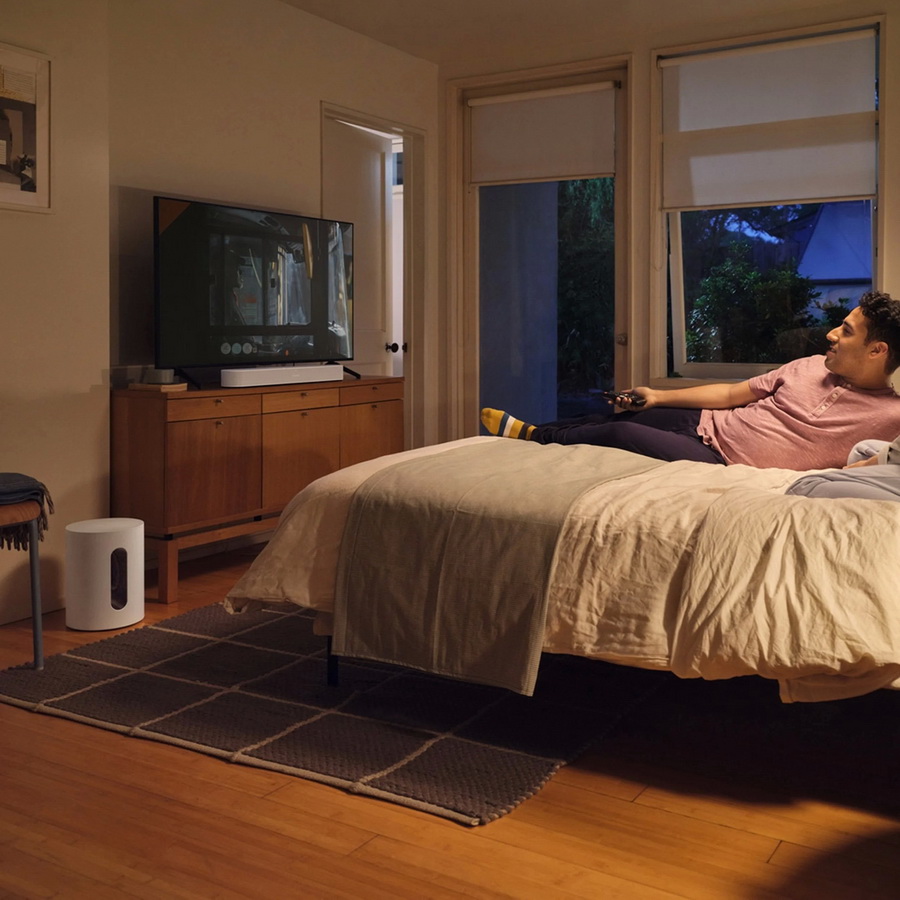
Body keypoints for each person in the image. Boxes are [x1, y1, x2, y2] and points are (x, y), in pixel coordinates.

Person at [481, 291, 900, 471]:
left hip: (719, 459)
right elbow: (732, 393)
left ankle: (535, 438)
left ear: (877, 351)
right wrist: (656, 396)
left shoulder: (890, 417)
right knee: (615, 415)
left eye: (847, 331)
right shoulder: (809, 366)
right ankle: (532, 431)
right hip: (704, 423)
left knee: (620, 433)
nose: (832, 334)